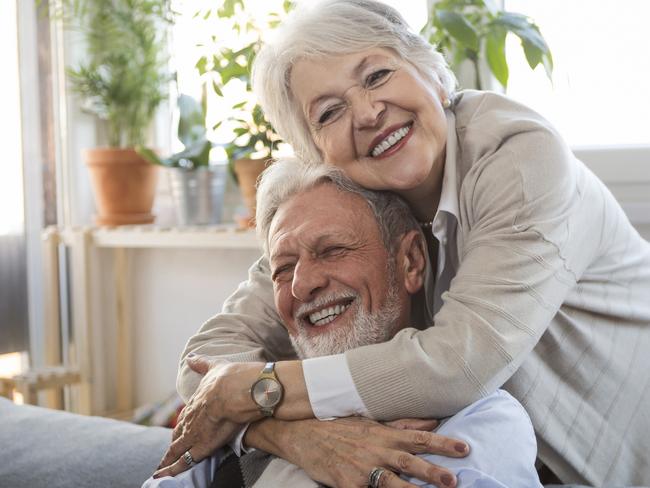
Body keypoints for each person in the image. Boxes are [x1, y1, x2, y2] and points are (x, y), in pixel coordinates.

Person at [158, 1, 650, 486]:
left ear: (433, 74)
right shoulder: (349, 197)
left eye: (376, 76)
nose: (368, 113)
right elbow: (208, 357)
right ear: (315, 152)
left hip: (611, 455)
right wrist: (292, 435)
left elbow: (458, 365)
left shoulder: (519, 157)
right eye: (330, 112)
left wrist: (259, 391)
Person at [148, 159, 542, 488]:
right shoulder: (230, 422)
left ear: (410, 262)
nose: (302, 284)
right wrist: (286, 435)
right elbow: (202, 373)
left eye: (333, 250)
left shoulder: (483, 423)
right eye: (284, 269)